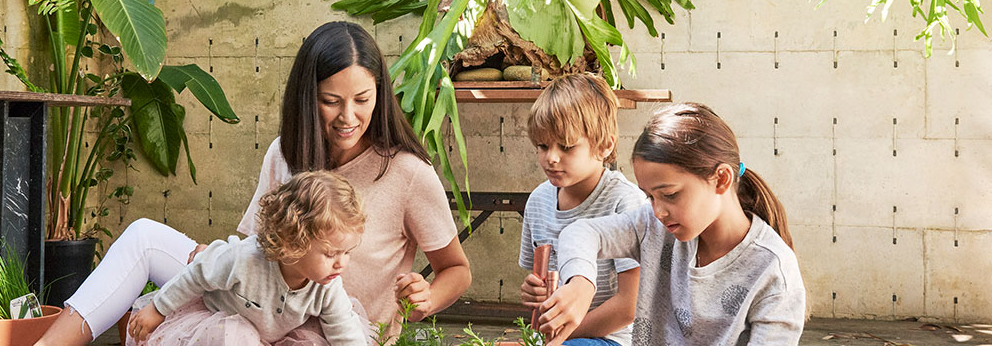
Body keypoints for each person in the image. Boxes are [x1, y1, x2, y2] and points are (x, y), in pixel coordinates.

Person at [36, 21, 472, 345]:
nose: (348, 117)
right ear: (308, 96)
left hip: (331, 328)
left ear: (381, 93)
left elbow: (456, 269)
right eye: (330, 101)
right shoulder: (287, 151)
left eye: (363, 100)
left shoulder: (408, 172)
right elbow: (256, 246)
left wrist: (429, 298)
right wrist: (220, 257)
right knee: (144, 240)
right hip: (261, 299)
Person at [536, 102, 806, 346]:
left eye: (670, 195)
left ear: (721, 179)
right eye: (650, 196)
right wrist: (581, 283)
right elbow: (581, 231)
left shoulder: (773, 271)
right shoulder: (652, 225)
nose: (659, 211)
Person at [126, 171, 370, 346]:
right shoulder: (244, 259)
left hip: (278, 336)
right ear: (292, 242)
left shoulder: (327, 286)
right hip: (222, 329)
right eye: (330, 254)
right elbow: (196, 274)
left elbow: (344, 330)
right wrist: (158, 308)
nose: (341, 263)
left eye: (346, 252)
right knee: (235, 335)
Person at [518, 74, 644, 346]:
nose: (551, 157)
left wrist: (561, 337)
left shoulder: (624, 203)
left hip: (610, 339)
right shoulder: (538, 201)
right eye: (542, 145)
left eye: (566, 147)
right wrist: (533, 292)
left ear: (605, 146)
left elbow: (628, 306)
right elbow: (538, 283)